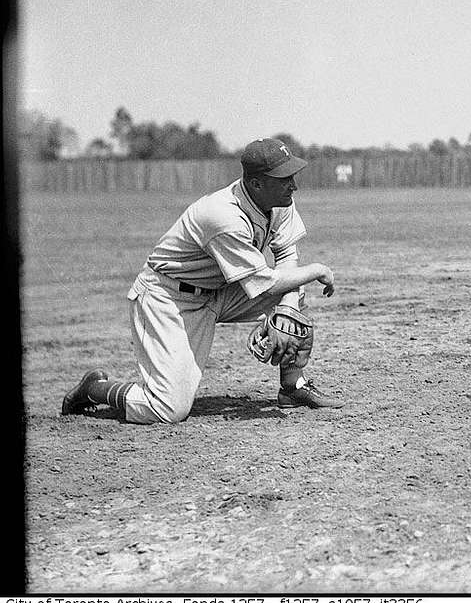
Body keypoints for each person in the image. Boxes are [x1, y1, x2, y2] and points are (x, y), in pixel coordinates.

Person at [61, 137, 342, 423]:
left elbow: (286, 256)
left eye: (292, 176)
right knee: (167, 409)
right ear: (256, 184)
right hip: (169, 297)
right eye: (284, 179)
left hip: (220, 290)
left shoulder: (279, 200)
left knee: (293, 295)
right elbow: (263, 284)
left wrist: (287, 307)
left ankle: (292, 387)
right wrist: (317, 268)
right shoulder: (222, 215)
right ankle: (94, 389)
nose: (293, 185)